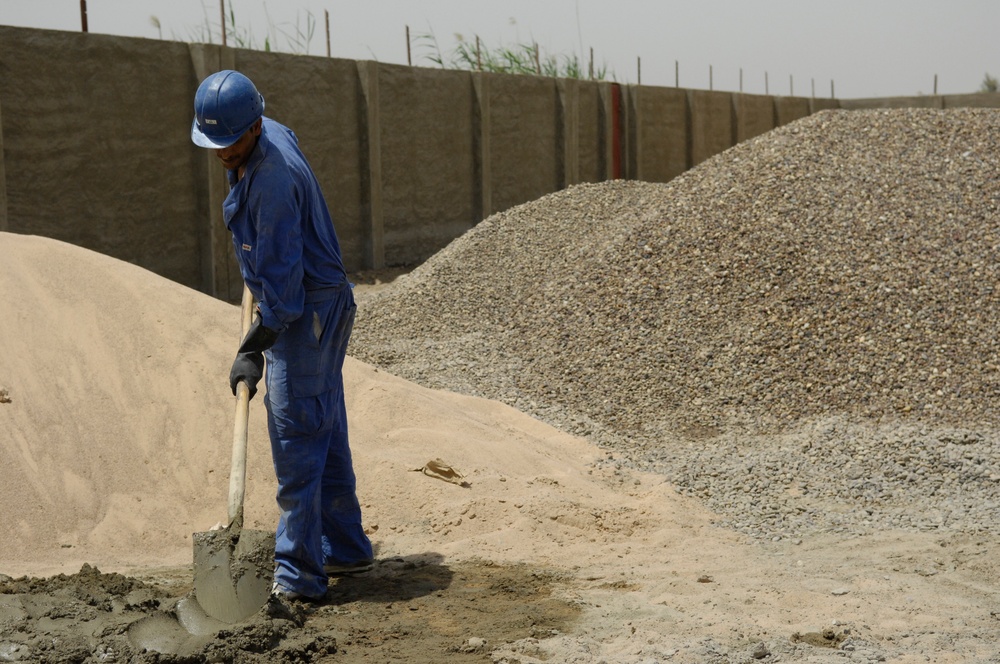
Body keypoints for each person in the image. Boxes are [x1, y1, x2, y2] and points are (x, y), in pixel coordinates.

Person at [190, 70, 373, 601]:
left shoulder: (270, 182)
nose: (222, 153)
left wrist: (252, 348)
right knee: (324, 425)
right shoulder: (267, 132)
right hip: (323, 301)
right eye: (215, 143)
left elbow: (286, 301)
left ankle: (298, 577)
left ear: (252, 127)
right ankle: (346, 548)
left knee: (296, 435)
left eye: (230, 143)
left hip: (307, 312)